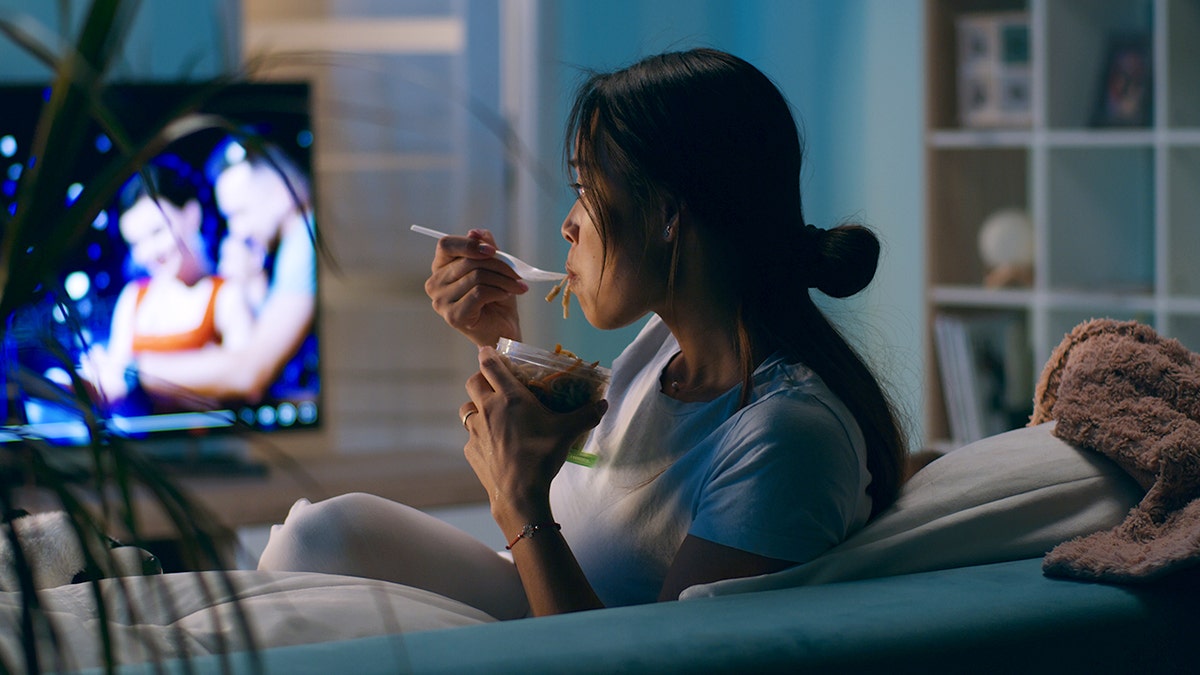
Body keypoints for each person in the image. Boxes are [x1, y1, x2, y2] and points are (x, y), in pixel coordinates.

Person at [257, 48, 908, 619]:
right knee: (317, 531)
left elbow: (658, 662)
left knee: (310, 550)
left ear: (666, 216)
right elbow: (581, 480)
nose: (569, 225)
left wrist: (518, 506)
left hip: (574, 644)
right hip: (541, 606)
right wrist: (499, 340)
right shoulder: (665, 350)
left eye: (585, 188)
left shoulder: (784, 436)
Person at [133, 139, 317, 405]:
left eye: (240, 213)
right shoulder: (295, 245)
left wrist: (137, 372)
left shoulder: (304, 241)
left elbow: (252, 373)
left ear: (280, 189)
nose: (237, 230)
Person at [79, 161, 253, 411]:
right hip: (139, 445)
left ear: (192, 215)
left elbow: (246, 380)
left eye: (157, 232)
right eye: (136, 243)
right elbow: (114, 385)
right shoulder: (134, 297)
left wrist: (142, 375)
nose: (149, 253)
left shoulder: (226, 295)